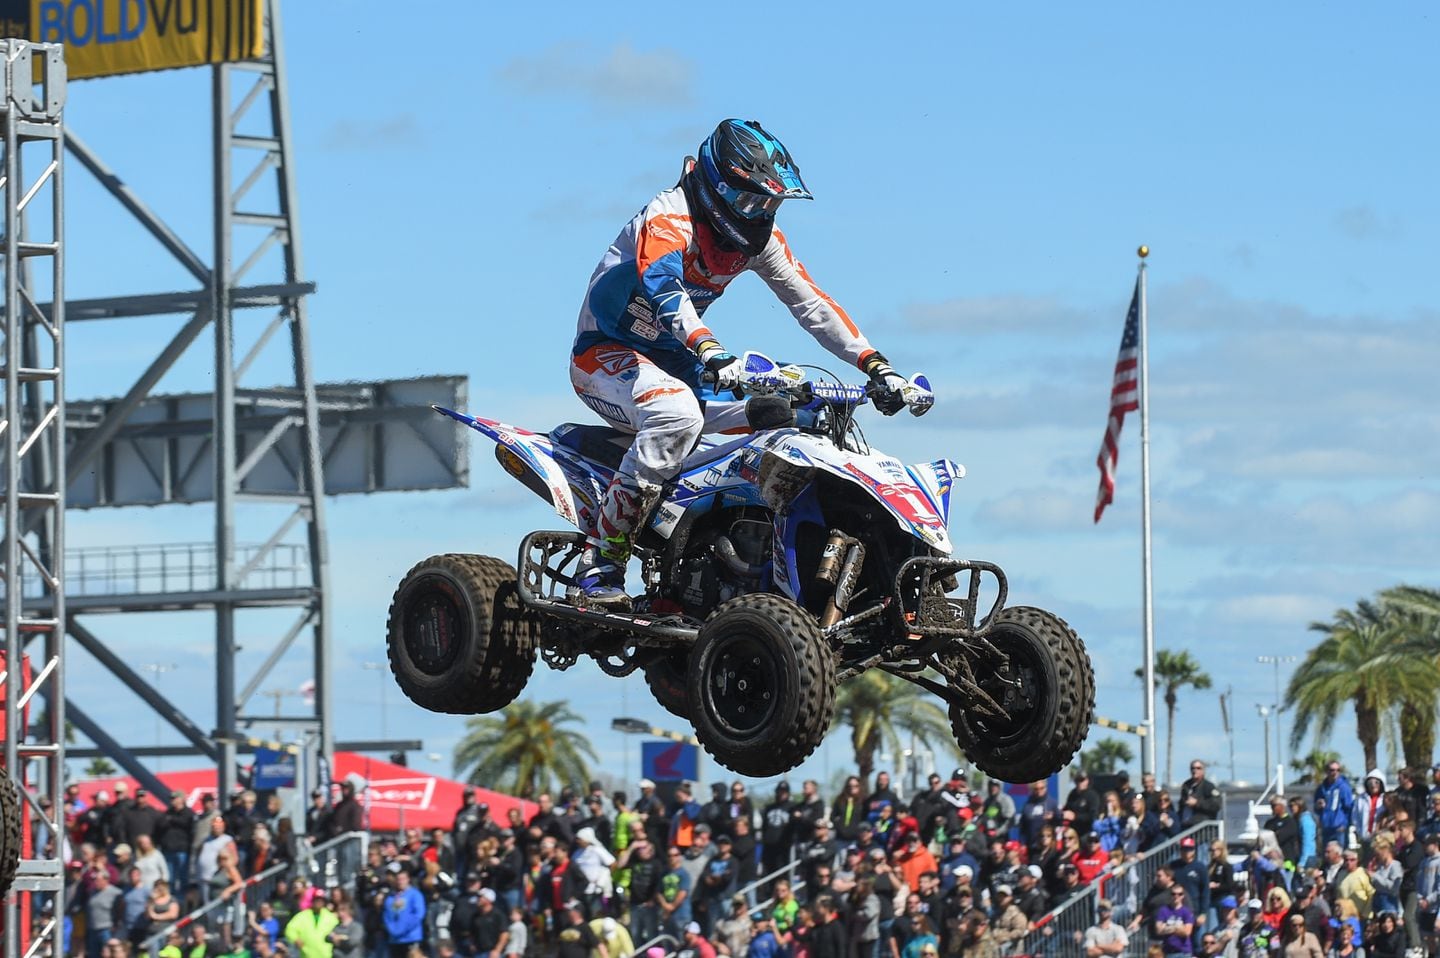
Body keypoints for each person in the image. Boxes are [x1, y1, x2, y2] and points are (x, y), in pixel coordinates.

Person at [566, 118, 926, 606]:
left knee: (797, 418)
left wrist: (876, 365)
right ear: (717, 186)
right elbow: (664, 287)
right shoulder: (669, 218)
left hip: (680, 362)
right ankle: (600, 564)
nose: (762, 212)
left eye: (771, 202)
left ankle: (740, 565)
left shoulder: (761, 240)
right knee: (676, 413)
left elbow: (811, 303)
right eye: (752, 200)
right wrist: (711, 348)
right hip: (605, 354)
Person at [381, 866, 426, 957]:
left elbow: (418, 915)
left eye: (403, 879)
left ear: (408, 879)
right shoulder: (390, 897)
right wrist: (392, 930)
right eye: (398, 879)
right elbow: (386, 915)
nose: (400, 881)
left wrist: (403, 929)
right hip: (394, 940)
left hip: (411, 938)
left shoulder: (415, 895)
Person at [1314, 762, 1355, 849]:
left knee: (1340, 854)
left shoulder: (1344, 787)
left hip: (1339, 828)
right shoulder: (1322, 788)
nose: (1335, 772)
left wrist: (1345, 824)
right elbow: (1316, 808)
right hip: (1326, 828)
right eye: (1332, 770)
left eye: (1338, 770)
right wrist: (1318, 806)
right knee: (1327, 855)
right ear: (1327, 771)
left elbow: (1349, 807)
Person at [1156, 885, 1197, 956]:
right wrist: (1178, 927)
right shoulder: (1163, 910)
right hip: (1168, 951)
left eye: (1179, 894)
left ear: (1183, 896)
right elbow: (1159, 930)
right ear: (1170, 895)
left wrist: (1167, 927)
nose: (1176, 896)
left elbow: (1187, 932)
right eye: (1173, 894)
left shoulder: (1186, 912)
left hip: (1184, 951)